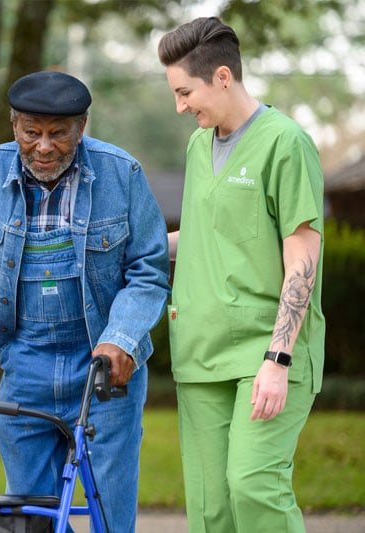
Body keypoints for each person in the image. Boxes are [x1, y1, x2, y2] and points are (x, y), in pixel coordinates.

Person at [0, 70, 171, 533]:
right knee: (31, 517)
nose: (44, 146)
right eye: (32, 132)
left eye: (58, 134)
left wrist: (123, 339)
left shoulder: (121, 173)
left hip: (104, 367)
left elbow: (148, 271)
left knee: (109, 515)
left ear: (81, 127)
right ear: (14, 127)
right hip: (25, 362)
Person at [157, 17, 325, 532]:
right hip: (200, 351)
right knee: (211, 509)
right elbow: (206, 236)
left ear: (223, 77)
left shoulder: (286, 143)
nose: (181, 106)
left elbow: (302, 256)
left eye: (186, 92)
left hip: (265, 350)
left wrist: (278, 358)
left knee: (254, 486)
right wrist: (127, 250)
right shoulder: (197, 146)